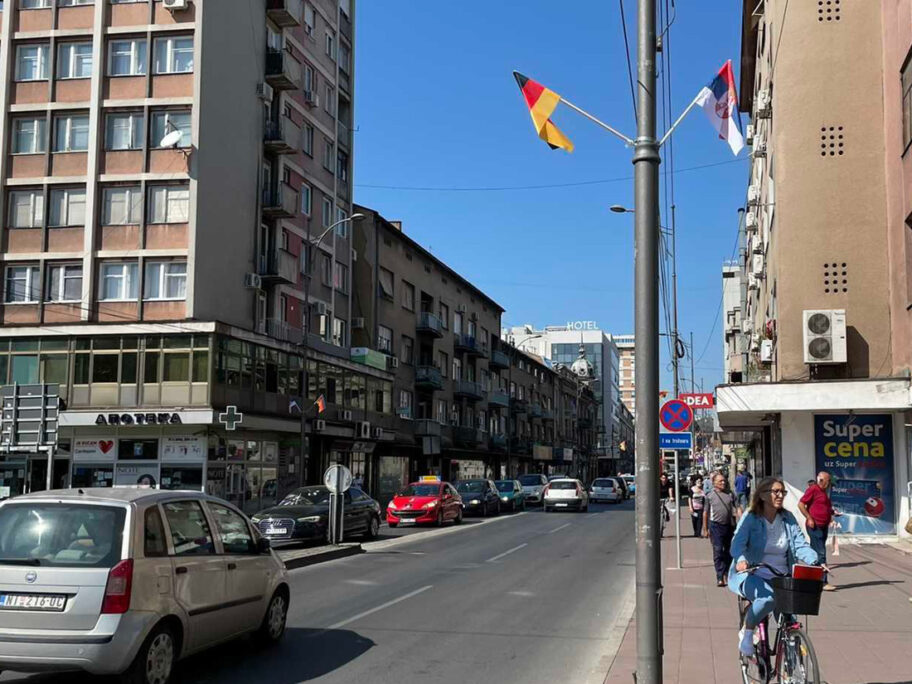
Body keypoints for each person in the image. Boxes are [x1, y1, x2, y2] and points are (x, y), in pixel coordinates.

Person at [728, 476, 819, 656]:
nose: (780, 495)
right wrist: (740, 559)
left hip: (782, 576)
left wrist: (815, 561)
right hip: (753, 574)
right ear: (762, 495)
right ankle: (747, 633)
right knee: (767, 600)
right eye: (775, 491)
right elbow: (737, 543)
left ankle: (791, 665)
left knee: (789, 617)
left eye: (782, 492)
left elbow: (800, 544)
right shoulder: (751, 517)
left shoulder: (787, 517)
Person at [798, 471, 841, 591]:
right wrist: (809, 518)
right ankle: (822, 582)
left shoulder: (823, 492)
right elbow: (801, 504)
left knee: (815, 553)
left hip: (823, 525)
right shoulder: (813, 489)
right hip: (815, 525)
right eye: (827, 482)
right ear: (821, 480)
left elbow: (824, 507)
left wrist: (833, 513)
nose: (828, 485)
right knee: (821, 553)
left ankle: (812, 580)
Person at [703, 472, 736, 586]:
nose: (723, 482)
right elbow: (705, 512)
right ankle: (720, 576)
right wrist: (705, 529)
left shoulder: (730, 494)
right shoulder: (710, 495)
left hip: (729, 526)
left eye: (724, 480)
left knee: (729, 551)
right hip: (715, 526)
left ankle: (728, 573)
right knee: (718, 551)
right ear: (714, 483)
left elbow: (736, 509)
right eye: (720, 481)